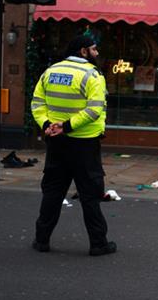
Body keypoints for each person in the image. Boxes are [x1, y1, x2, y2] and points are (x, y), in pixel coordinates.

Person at [30, 33, 116, 256]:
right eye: (94, 49)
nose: (97, 53)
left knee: (53, 191)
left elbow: (37, 102)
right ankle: (98, 244)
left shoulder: (51, 71)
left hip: (57, 143)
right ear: (83, 51)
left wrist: (48, 125)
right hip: (84, 143)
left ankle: (41, 240)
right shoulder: (92, 74)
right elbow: (94, 109)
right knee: (89, 194)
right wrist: (67, 126)